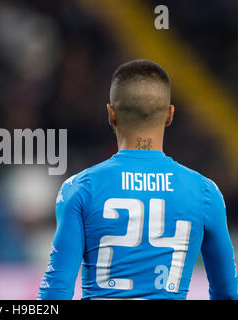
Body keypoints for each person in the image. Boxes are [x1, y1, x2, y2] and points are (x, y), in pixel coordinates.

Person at [38, 59, 238, 300]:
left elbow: (55, 292)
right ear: (169, 115)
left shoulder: (80, 189)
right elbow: (227, 292)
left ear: (111, 114)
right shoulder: (205, 193)